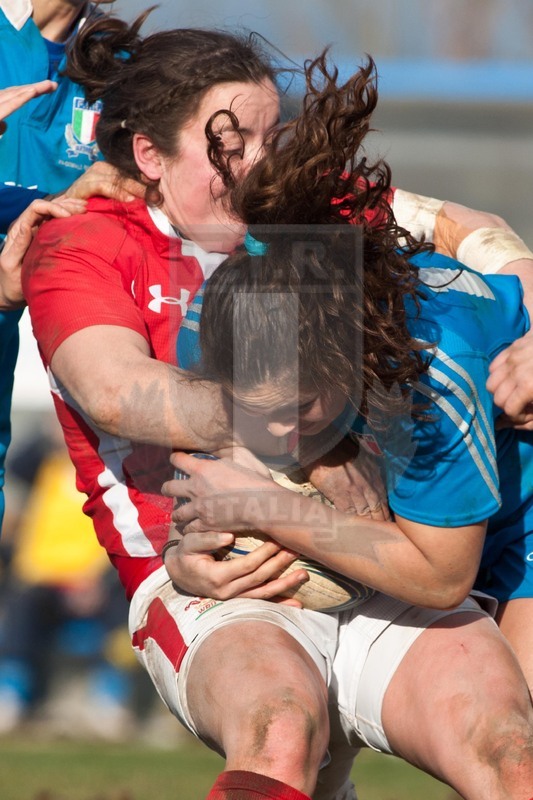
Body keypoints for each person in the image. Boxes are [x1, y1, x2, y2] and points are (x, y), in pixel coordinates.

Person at [20, 13, 533, 799]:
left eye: (271, 138)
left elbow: (475, 234)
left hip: (382, 554)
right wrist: (306, 443)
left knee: (506, 749)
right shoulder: (85, 240)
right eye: (228, 146)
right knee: (281, 729)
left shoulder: (310, 208)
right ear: (150, 155)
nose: (259, 166)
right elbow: (117, 392)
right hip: (212, 576)